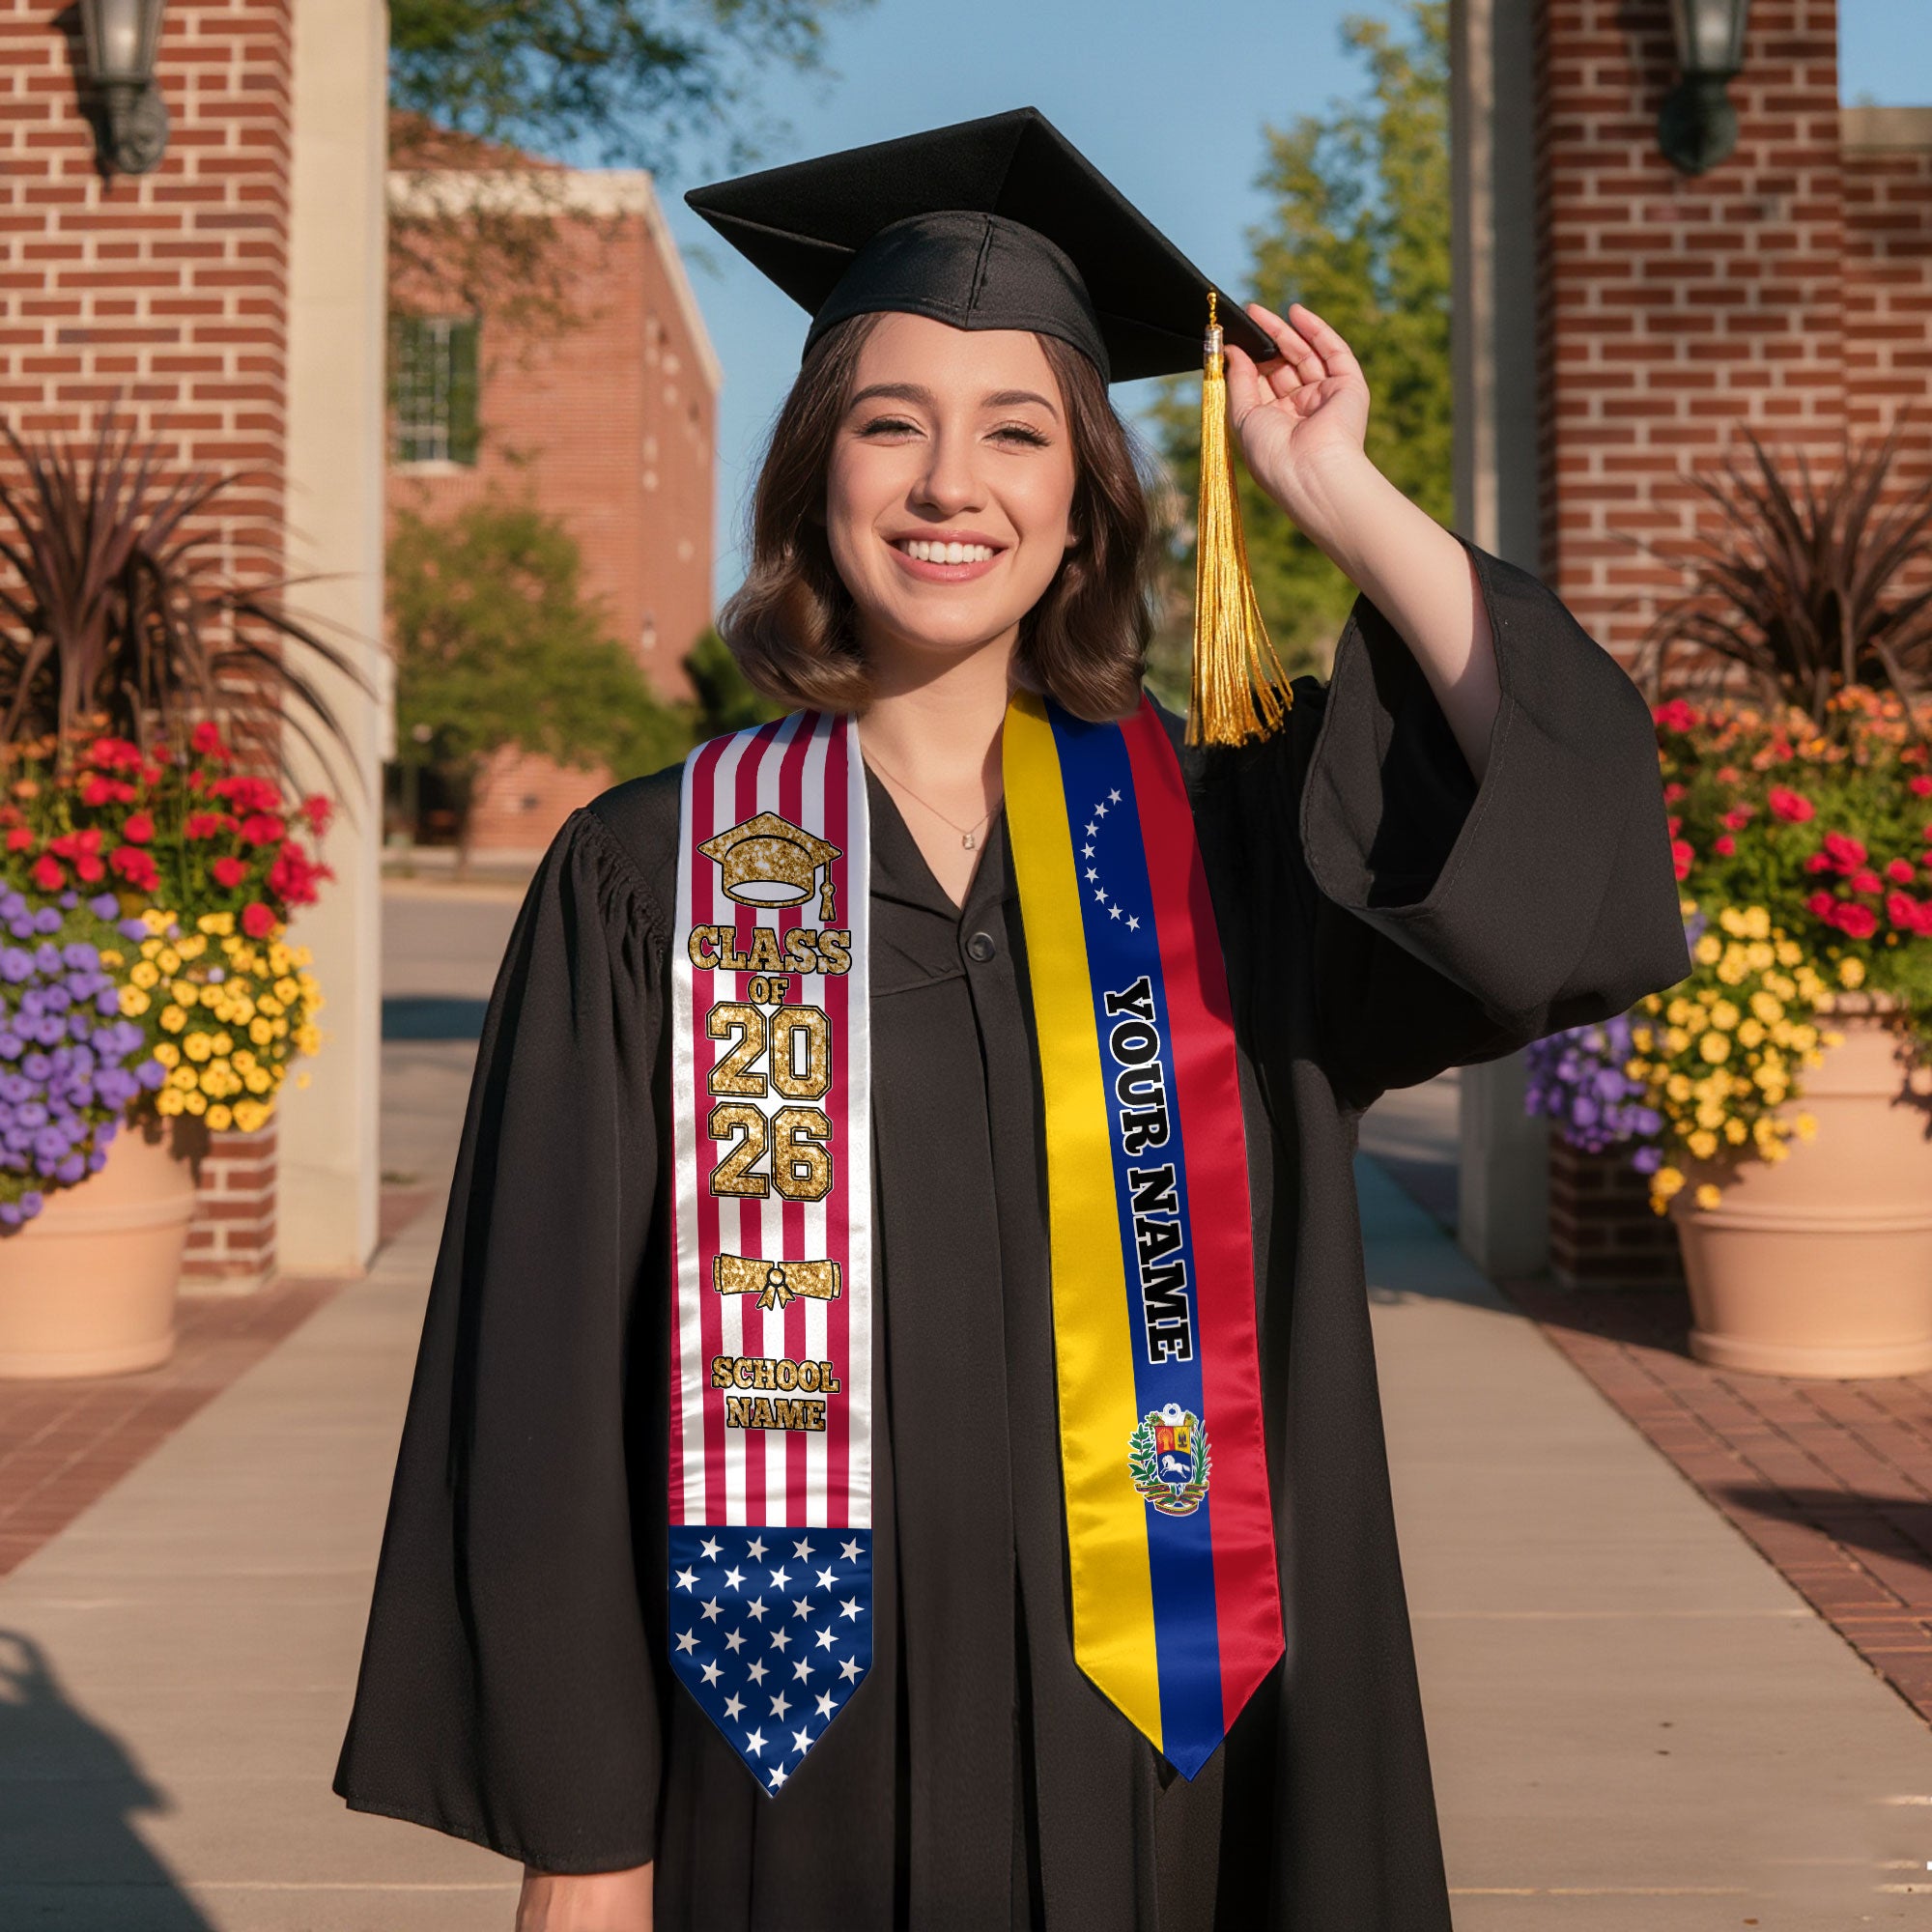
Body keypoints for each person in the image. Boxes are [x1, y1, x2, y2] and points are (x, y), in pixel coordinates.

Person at [332, 109, 1690, 1931]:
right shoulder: (648, 877)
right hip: (777, 1776)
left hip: (1179, 1773)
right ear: (819, 472)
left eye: (1016, 433)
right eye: (892, 424)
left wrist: (1335, 491)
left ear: (1083, 505)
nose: (948, 483)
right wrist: (585, 1843)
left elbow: (1561, 830)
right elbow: (546, 1384)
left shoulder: (1229, 855)